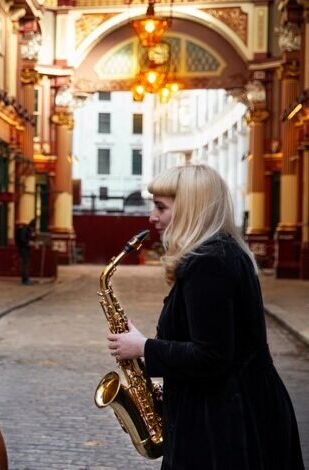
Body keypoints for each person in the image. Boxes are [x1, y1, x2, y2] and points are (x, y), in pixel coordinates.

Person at [107, 164, 303, 469]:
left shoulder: (210, 262)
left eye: (161, 207)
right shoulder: (219, 255)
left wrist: (144, 347)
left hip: (225, 427)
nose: (151, 217)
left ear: (190, 209)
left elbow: (212, 355)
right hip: (231, 414)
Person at [15, 218, 36, 285]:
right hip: (24, 249)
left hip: (25, 248)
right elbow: (23, 239)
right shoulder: (25, 230)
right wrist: (28, 243)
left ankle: (26, 279)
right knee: (25, 264)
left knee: (26, 264)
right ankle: (25, 280)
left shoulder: (27, 229)